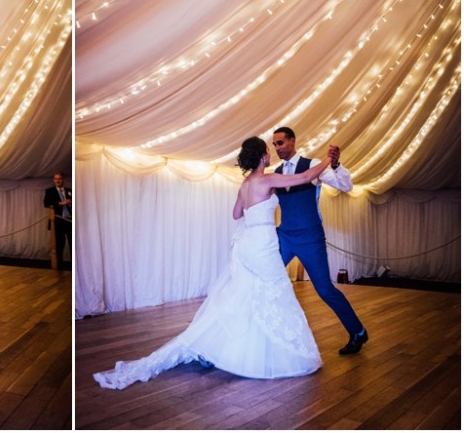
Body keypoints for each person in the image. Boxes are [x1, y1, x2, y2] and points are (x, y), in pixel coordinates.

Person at [93, 137, 330, 389]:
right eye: (267, 152)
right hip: (263, 243)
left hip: (247, 243)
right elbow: (305, 178)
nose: (270, 155)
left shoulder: (246, 183)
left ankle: (225, 344)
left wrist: (257, 206)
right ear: (262, 156)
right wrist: (328, 159)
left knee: (246, 293)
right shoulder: (267, 179)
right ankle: (269, 353)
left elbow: (236, 213)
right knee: (275, 291)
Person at [272, 126, 367, 354]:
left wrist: (335, 164)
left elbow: (345, 186)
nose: (277, 148)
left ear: (292, 141)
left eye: (280, 143)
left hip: (310, 238)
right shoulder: (275, 171)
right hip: (284, 237)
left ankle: (358, 332)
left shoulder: (313, 164)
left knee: (324, 289)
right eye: (274, 145)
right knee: (265, 278)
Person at [44, 172, 72, 270]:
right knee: (59, 245)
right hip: (58, 222)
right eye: (56, 179)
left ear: (63, 180)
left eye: (59, 179)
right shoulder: (49, 191)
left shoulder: (69, 190)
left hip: (69, 221)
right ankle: (59, 268)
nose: (57, 180)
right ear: (53, 180)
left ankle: (73, 268)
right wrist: (61, 203)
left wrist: (70, 203)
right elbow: (46, 203)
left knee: (72, 245)